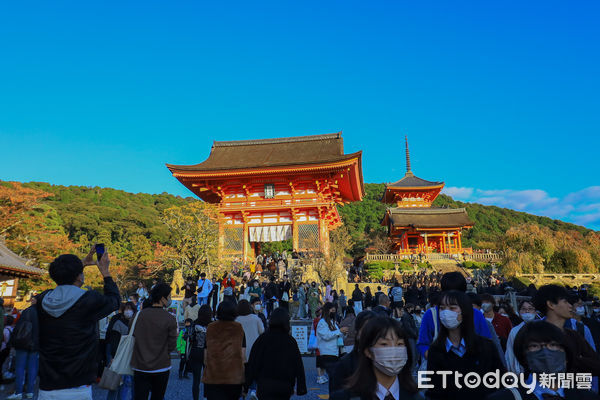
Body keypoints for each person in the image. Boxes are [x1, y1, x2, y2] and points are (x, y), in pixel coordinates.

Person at [37, 248, 120, 400]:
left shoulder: (43, 300)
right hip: (78, 386)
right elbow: (114, 301)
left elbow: (62, 281)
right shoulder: (88, 300)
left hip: (46, 387)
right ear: (79, 277)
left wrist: (77, 267)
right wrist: (105, 272)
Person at [487, 321, 600, 400]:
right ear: (524, 356)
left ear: (566, 356)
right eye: (535, 346)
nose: (546, 353)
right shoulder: (506, 397)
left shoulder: (588, 397)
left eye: (553, 345)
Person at [425, 290, 504, 400]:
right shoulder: (436, 350)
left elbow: (500, 383)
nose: (446, 313)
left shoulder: (486, 346)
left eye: (452, 308)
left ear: (465, 311)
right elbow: (434, 391)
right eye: (442, 308)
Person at [333, 317, 423, 400]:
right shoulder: (345, 397)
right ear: (368, 351)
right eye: (384, 344)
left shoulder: (417, 397)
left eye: (399, 344)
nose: (393, 351)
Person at [417, 272, 492, 358]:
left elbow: (486, 342)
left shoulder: (476, 314)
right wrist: (435, 358)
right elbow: (423, 344)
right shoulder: (431, 314)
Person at [533, 284, 600, 376]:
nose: (570, 306)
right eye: (565, 302)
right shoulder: (533, 333)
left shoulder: (577, 332)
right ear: (551, 304)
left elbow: (595, 364)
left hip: (577, 386)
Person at [245, 307, 307, 400]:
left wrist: (246, 385)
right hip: (285, 385)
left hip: (265, 384)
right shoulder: (290, 341)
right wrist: (301, 387)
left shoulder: (263, 339)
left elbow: (253, 361)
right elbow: (298, 364)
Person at [130, 283, 178, 400]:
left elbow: (132, 336)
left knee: (139, 396)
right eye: (169, 296)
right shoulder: (170, 319)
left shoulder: (138, 316)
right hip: (161, 366)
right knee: (158, 396)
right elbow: (172, 345)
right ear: (162, 298)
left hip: (140, 365)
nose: (170, 299)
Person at [202, 300, 245, 400]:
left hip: (213, 377)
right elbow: (242, 356)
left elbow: (205, 354)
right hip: (233, 378)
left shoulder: (211, 327)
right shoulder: (238, 328)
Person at [330, 310, 377, 399]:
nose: (371, 334)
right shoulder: (344, 365)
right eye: (367, 329)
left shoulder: (386, 362)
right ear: (357, 332)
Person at [7, 298, 39, 400]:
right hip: (36, 343)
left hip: (24, 342)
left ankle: (18, 392)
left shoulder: (28, 311)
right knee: (32, 367)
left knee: (20, 367)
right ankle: (30, 392)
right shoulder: (45, 313)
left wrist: (12, 340)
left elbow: (19, 326)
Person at [105, 302, 136, 400]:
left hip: (130, 358)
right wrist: (113, 357)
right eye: (126, 309)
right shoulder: (118, 323)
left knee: (126, 385)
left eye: (130, 309)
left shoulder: (136, 323)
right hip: (119, 358)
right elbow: (113, 341)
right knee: (115, 385)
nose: (128, 311)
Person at [235, 300, 265, 399]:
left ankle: (241, 392)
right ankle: (253, 390)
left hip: (240, 350)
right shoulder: (255, 319)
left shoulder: (236, 320)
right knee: (254, 371)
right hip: (254, 350)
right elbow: (262, 331)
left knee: (241, 373)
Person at [316, 302, 342, 386]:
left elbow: (337, 335)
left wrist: (343, 333)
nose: (333, 312)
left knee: (335, 378)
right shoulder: (322, 322)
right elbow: (326, 336)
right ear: (327, 311)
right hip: (327, 353)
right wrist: (339, 331)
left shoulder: (333, 322)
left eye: (334, 310)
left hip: (335, 352)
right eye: (332, 310)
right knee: (334, 378)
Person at [189, 305, 212, 400]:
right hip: (209, 353)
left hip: (196, 352)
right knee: (208, 378)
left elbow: (190, 338)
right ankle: (207, 397)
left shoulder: (194, 324)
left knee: (196, 380)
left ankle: (196, 398)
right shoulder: (212, 325)